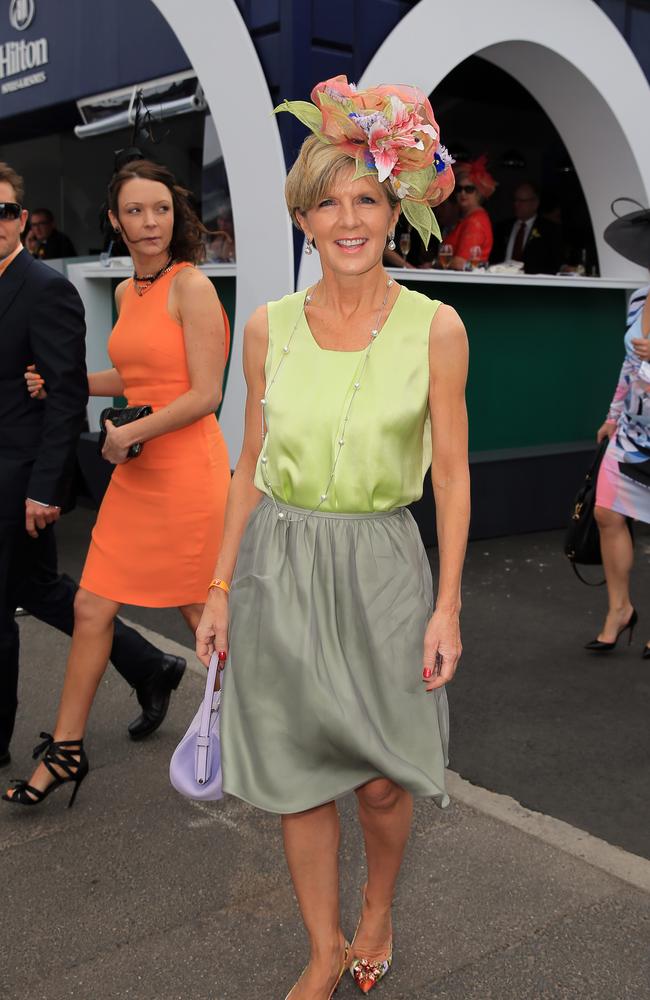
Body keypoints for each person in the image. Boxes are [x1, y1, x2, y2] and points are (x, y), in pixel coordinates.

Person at [196, 76, 469, 999]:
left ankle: (378, 908)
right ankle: (321, 947)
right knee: (300, 774)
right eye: (328, 201)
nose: (348, 218)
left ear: (397, 210)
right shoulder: (268, 328)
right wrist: (220, 588)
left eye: (367, 198)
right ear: (304, 218)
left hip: (386, 568)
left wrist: (447, 607)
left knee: (385, 782)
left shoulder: (438, 329)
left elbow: (453, 476)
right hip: (278, 562)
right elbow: (247, 466)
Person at [4, 159, 231, 807]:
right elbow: (136, 378)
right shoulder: (130, 292)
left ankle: (262, 727)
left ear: (175, 214)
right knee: (89, 605)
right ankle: (67, 751)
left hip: (187, 472)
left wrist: (132, 432)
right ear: (115, 220)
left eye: (160, 208)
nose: (149, 221)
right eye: (134, 211)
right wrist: (64, 383)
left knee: (201, 617)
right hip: (138, 477)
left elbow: (205, 395)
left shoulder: (193, 287)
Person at [587, 201, 650, 658]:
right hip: (631, 428)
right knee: (607, 513)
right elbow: (630, 365)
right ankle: (619, 608)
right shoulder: (639, 299)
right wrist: (612, 415)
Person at [491, 182, 562, 274]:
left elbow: (554, 263)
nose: (516, 204)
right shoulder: (502, 228)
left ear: (535, 203)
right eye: (515, 200)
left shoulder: (549, 230)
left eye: (522, 201)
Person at [443, 156, 495, 270]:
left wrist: (434, 264)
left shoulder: (475, 221)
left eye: (469, 189)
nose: (463, 193)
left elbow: (460, 263)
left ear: (479, 192)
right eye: (459, 189)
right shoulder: (467, 218)